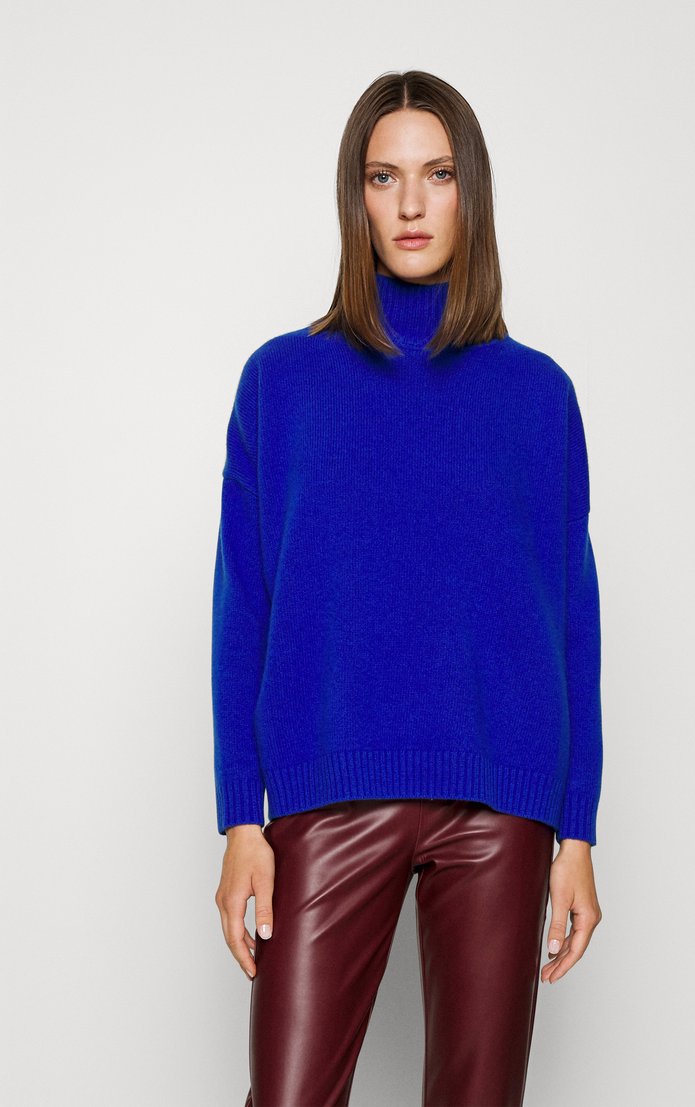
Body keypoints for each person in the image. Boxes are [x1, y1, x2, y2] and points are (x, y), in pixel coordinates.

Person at [212, 69, 603, 1107]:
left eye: (438, 174)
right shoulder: (281, 382)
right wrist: (240, 817)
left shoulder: (538, 395)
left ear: (471, 191)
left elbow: (572, 616)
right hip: (328, 790)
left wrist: (576, 830)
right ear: (356, 197)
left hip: (499, 801)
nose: (412, 204)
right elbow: (243, 603)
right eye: (383, 177)